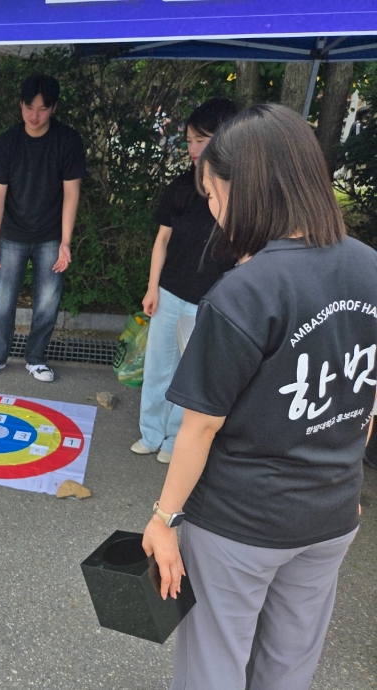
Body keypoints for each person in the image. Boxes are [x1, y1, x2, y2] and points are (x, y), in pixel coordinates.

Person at [141, 104, 377, 690]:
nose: (214, 211)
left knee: (214, 666)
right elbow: (368, 399)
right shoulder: (370, 267)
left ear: (250, 192)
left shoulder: (243, 293)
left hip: (238, 524)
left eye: (216, 195)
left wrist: (163, 518)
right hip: (330, 516)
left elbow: (198, 427)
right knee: (288, 667)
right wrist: (345, 477)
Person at [131, 98, 238, 464]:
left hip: (210, 299)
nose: (193, 148)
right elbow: (161, 240)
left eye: (201, 139)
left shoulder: (239, 193)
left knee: (189, 376)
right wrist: (151, 287)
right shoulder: (179, 187)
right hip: (170, 292)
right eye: (190, 140)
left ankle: (175, 441)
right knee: (157, 368)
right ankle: (150, 433)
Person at [0, 73, 86, 382]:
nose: (34, 116)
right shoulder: (8, 141)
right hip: (12, 233)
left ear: (53, 107)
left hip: (51, 234)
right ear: (20, 105)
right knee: (3, 299)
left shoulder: (68, 140)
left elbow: (71, 192)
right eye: (28, 107)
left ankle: (36, 357)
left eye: (42, 108)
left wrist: (66, 241)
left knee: (48, 301)